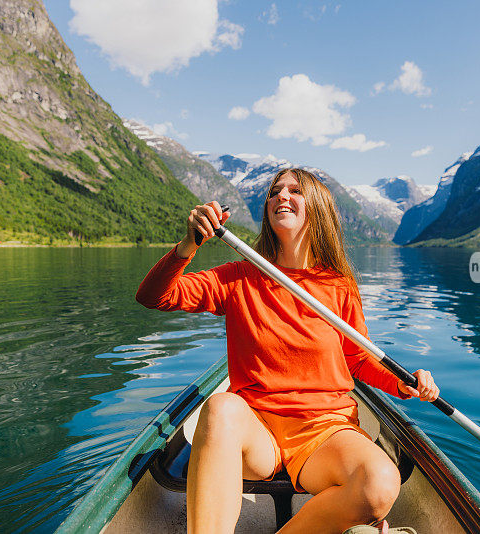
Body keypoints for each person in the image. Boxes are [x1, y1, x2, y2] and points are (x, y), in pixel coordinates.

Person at [136, 168, 440, 534]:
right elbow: (155, 296)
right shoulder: (238, 277)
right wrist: (189, 244)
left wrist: (404, 383)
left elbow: (358, 358)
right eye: (274, 191)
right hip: (257, 431)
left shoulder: (339, 286)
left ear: (318, 208)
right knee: (220, 406)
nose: (281, 195)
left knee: (380, 484)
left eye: (295, 190)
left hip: (325, 430)